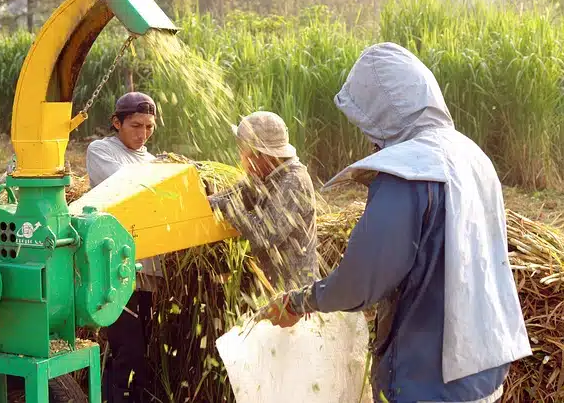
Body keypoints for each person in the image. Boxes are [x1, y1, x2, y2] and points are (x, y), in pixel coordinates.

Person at [255, 43, 532, 402]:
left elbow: (360, 282)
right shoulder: (471, 155)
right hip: (486, 365)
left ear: (383, 111)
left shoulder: (409, 172)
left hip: (428, 379)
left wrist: (298, 302)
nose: (370, 139)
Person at [86, 91, 161, 403]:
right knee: (127, 350)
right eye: (135, 126)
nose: (143, 134)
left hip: (148, 271)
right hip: (115, 271)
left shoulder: (153, 159)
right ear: (116, 122)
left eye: (149, 127)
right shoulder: (102, 151)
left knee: (139, 351)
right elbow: (127, 189)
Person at [208, 111, 319, 290]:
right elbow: (230, 196)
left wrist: (227, 207)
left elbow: (266, 236)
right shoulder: (265, 175)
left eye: (243, 152)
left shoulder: (293, 180)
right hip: (272, 286)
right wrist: (203, 201)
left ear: (260, 154)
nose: (241, 158)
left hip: (296, 292)